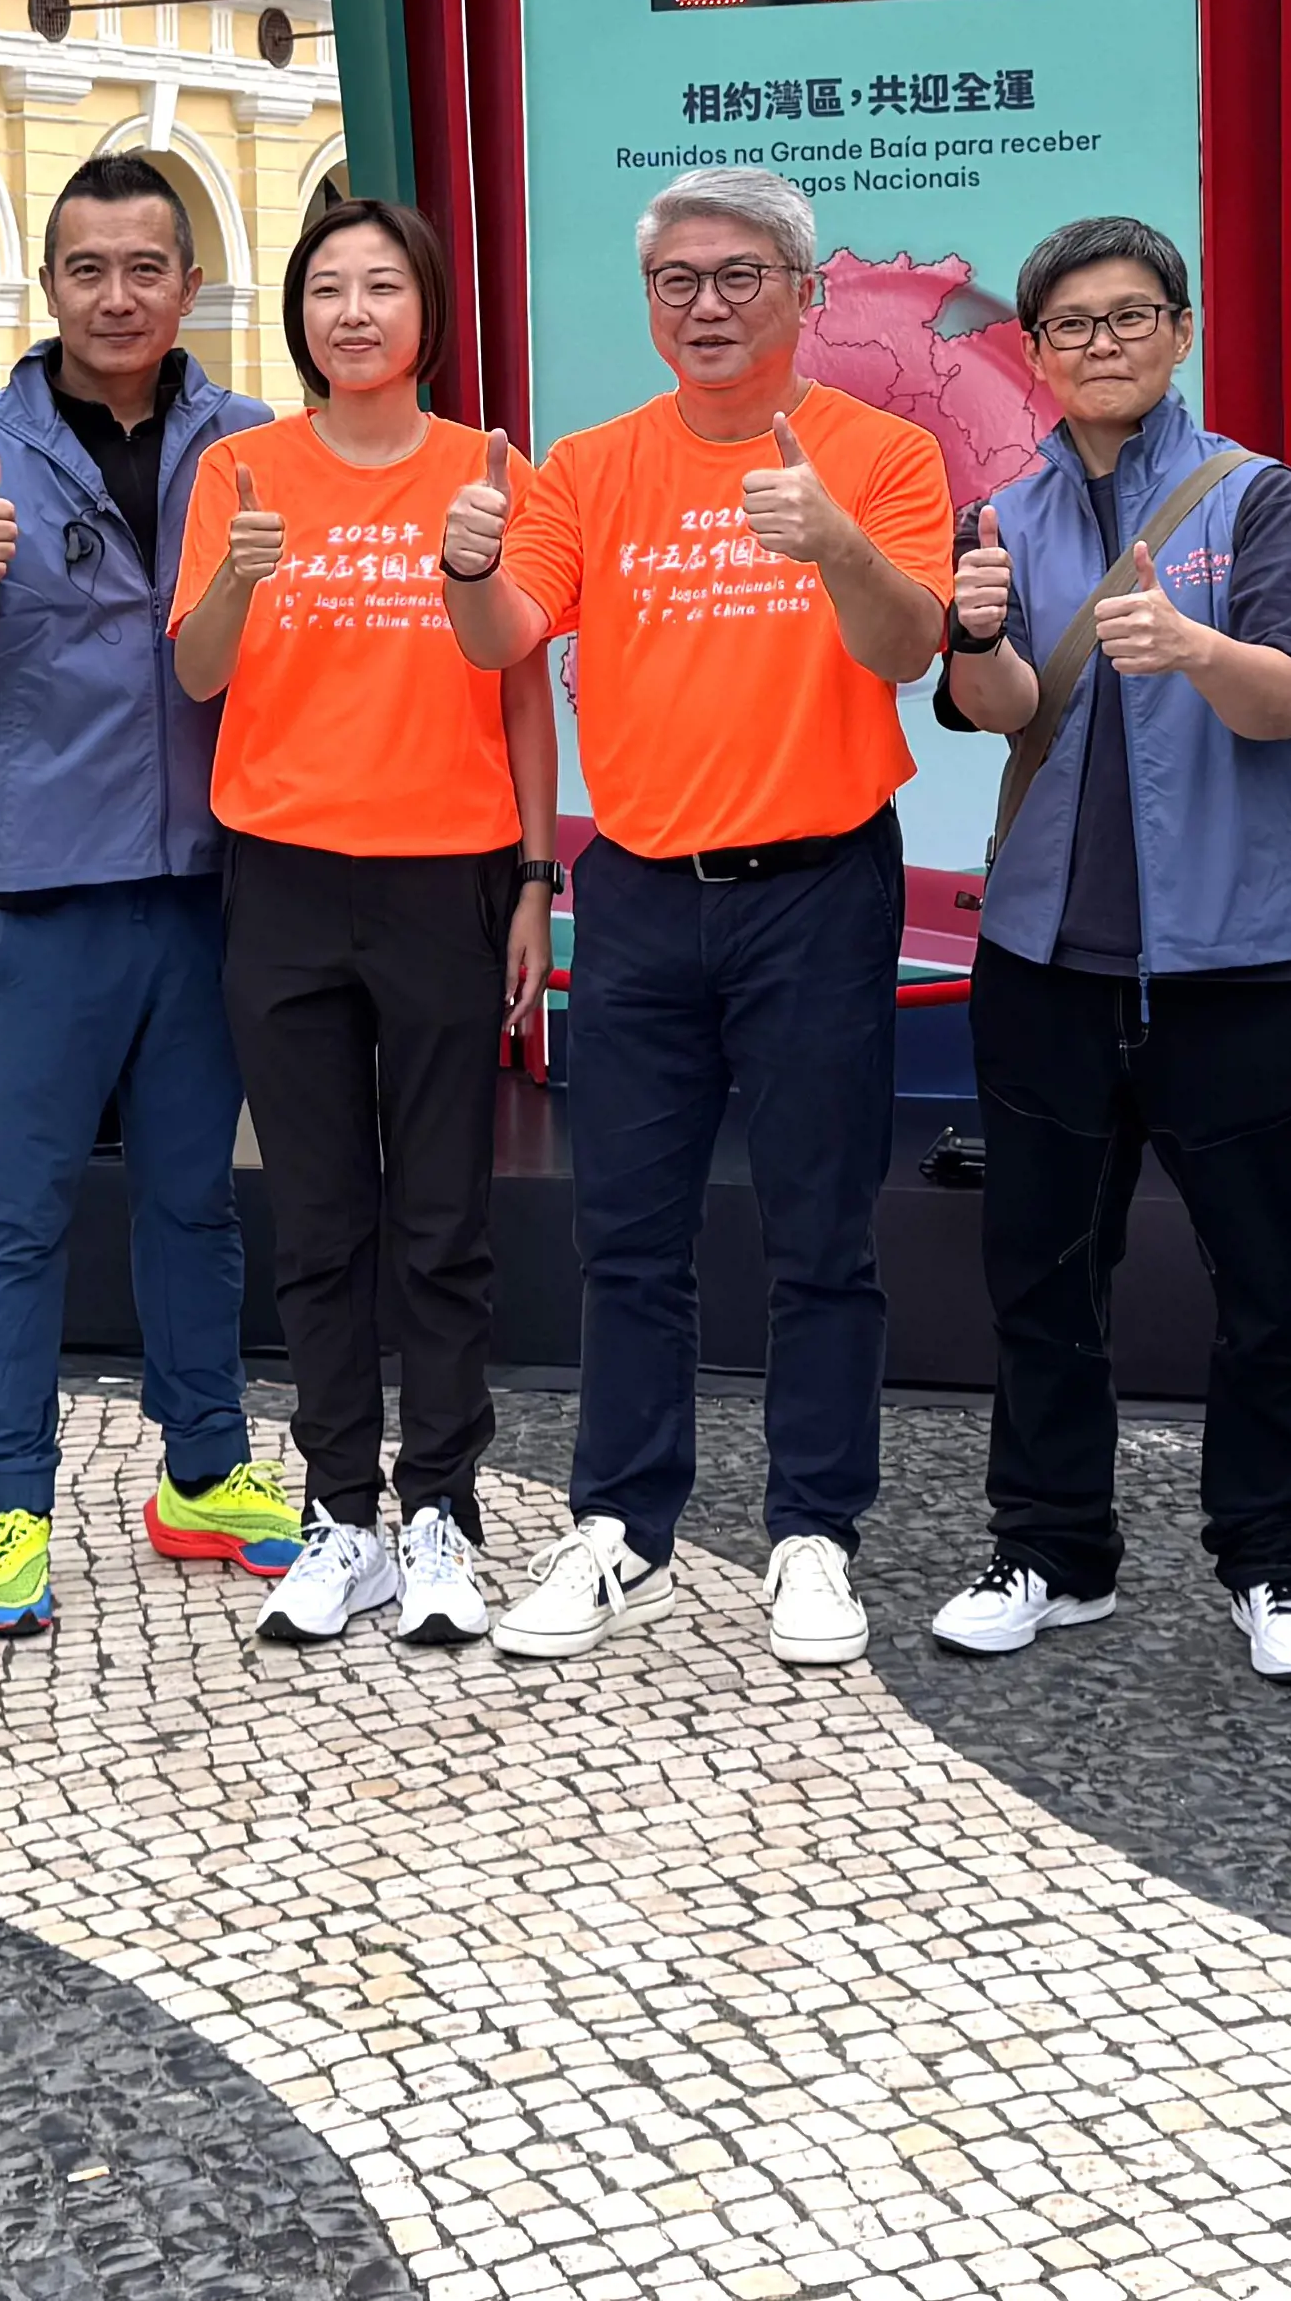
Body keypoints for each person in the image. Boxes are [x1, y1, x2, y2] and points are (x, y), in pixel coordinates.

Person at [445, 165, 952, 1665]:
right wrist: (468, 557)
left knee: (819, 1233)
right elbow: (506, 631)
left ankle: (811, 1531)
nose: (708, 304)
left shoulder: (881, 453)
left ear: (804, 293)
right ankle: (621, 1524)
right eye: (679, 280)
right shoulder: (590, 467)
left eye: (739, 276)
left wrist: (832, 539)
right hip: (646, 897)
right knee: (628, 1235)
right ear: (650, 301)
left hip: (815, 891)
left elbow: (910, 642)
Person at [926, 215, 1291, 1681]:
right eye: (1069, 325)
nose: (1099, 344)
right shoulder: (1003, 512)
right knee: (1040, 1269)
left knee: (1267, 1272)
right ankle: (1050, 1543)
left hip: (1237, 957)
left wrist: (1195, 648)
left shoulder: (1262, 498)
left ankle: (1277, 1558)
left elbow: (1290, 701)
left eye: (1128, 317)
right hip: (1047, 955)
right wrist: (974, 634)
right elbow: (988, 713)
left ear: (1176, 328)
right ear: (1030, 352)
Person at [0, 153, 299, 1641]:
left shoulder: (255, 444)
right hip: (41, 893)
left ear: (187, 285)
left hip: (209, 883)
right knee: (14, 1215)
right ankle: (9, 1501)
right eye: (86, 268)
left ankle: (202, 1470)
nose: (115, 296)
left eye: (145, 267)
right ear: (46, 284)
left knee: (193, 1204)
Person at [178, 198, 556, 1650]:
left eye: (380, 286)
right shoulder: (239, 468)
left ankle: (442, 1509)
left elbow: (520, 678)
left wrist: (533, 876)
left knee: (446, 1215)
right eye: (325, 288)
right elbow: (199, 674)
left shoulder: (485, 468)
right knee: (322, 1216)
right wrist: (233, 571)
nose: (351, 311)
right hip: (279, 875)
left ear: (424, 311)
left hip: (447, 875)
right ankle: (340, 1509)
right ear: (297, 316)